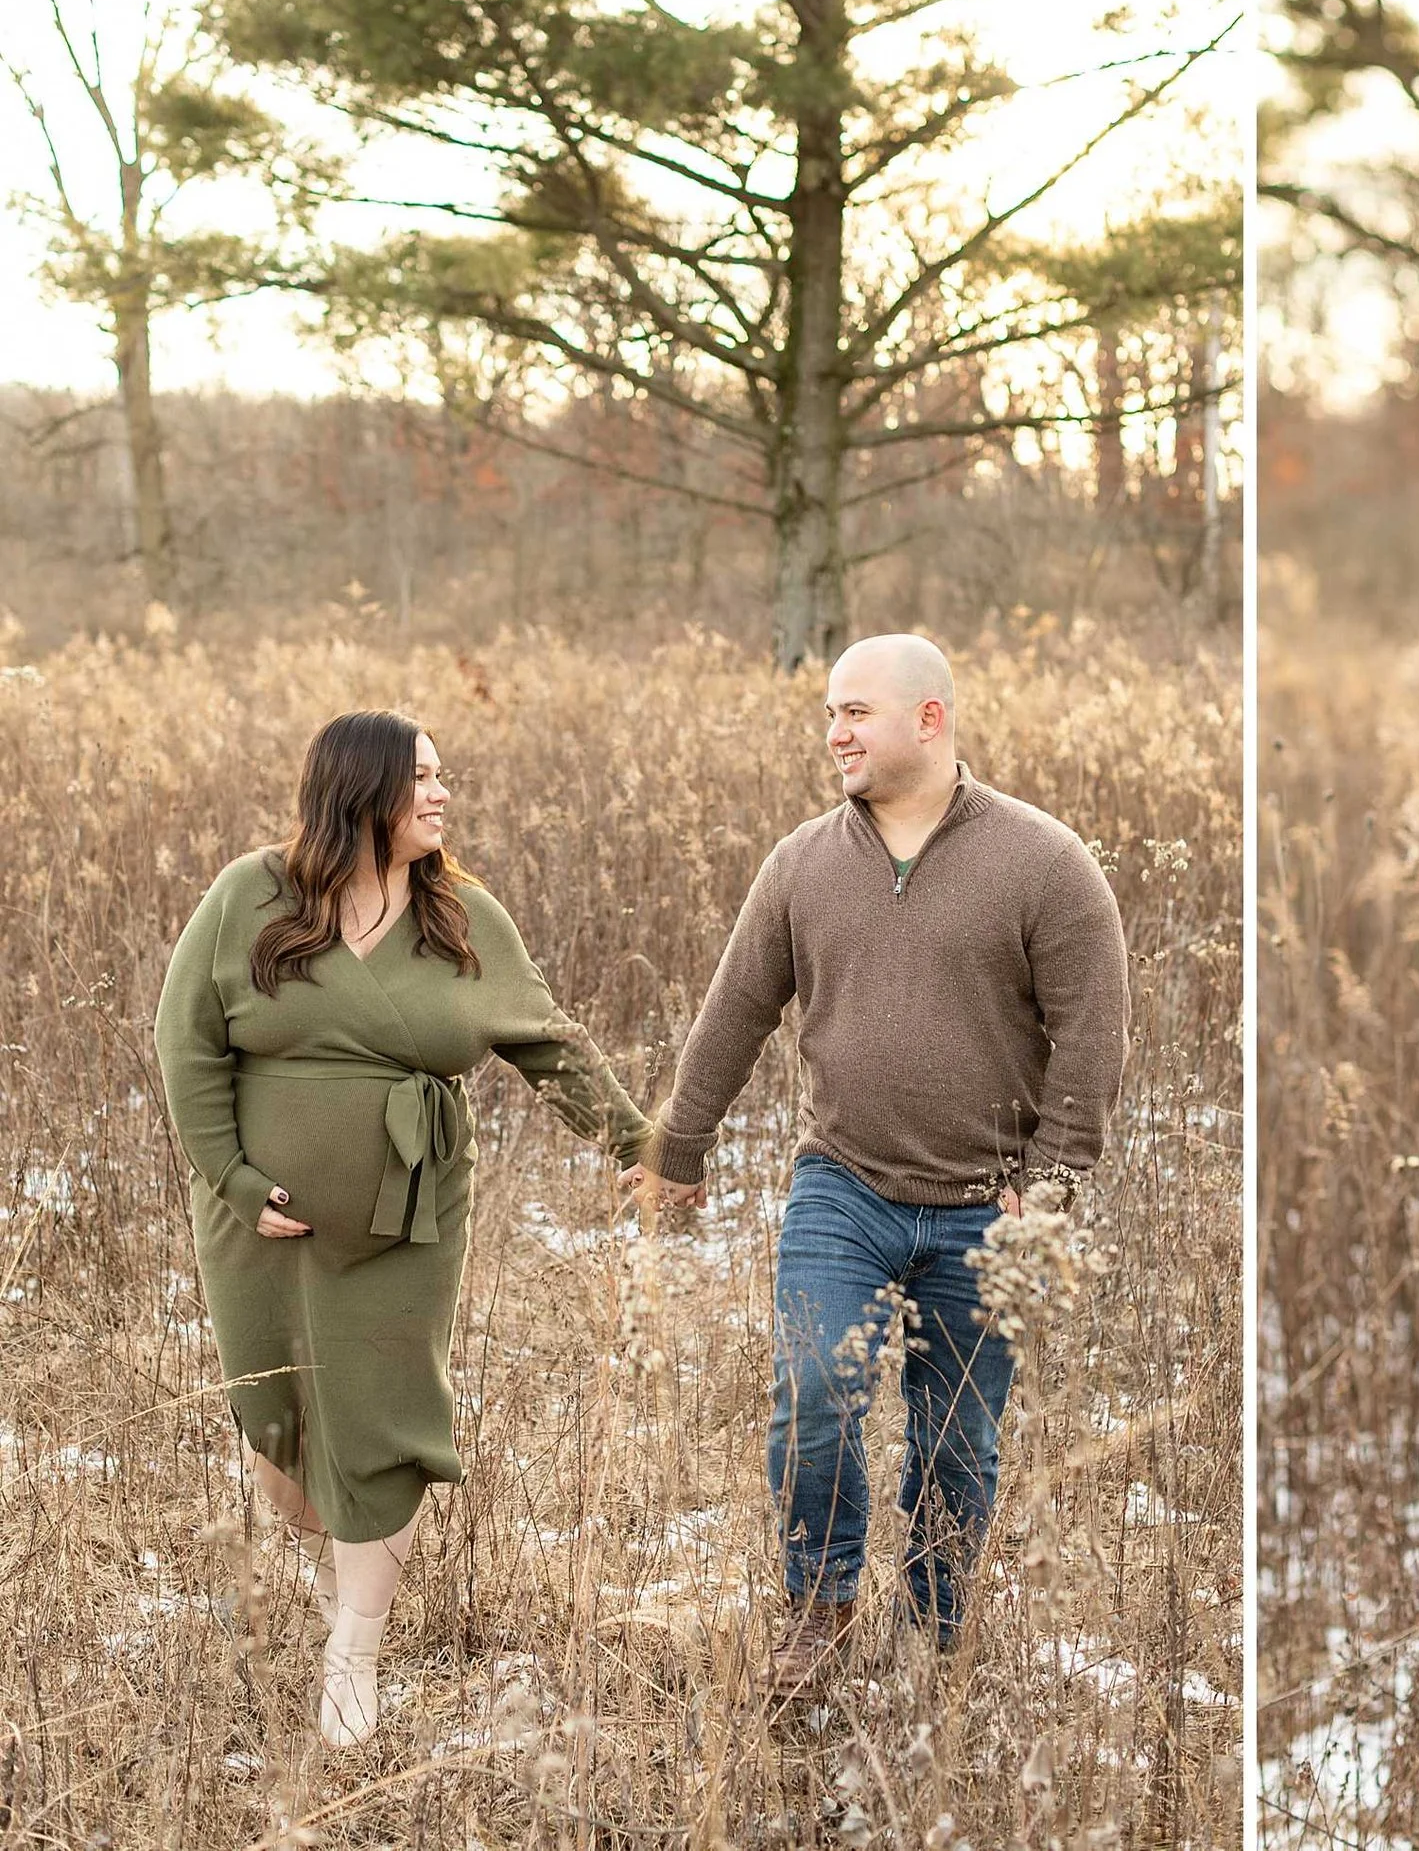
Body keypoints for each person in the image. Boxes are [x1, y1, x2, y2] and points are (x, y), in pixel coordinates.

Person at [628, 633, 1128, 1688]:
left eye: (855, 712)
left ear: (928, 719)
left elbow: (1092, 1035)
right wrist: (678, 1149)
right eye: (830, 714)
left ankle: (936, 1629)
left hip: (989, 1206)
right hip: (843, 1186)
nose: (835, 734)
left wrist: (1050, 1188)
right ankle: (820, 1607)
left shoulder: (1044, 863)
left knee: (958, 1436)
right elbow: (733, 1015)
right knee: (813, 1389)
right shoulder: (801, 864)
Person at [155, 710, 654, 1749]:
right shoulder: (251, 895)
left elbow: (548, 1043)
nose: (441, 794)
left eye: (441, 776)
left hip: (407, 1218)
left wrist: (642, 1146)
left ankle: (355, 1652)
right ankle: (331, 1573)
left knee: (384, 1422)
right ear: (360, 790)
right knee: (279, 1428)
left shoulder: (462, 918)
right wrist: (235, 1180)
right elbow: (186, 1042)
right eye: (420, 778)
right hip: (256, 1226)